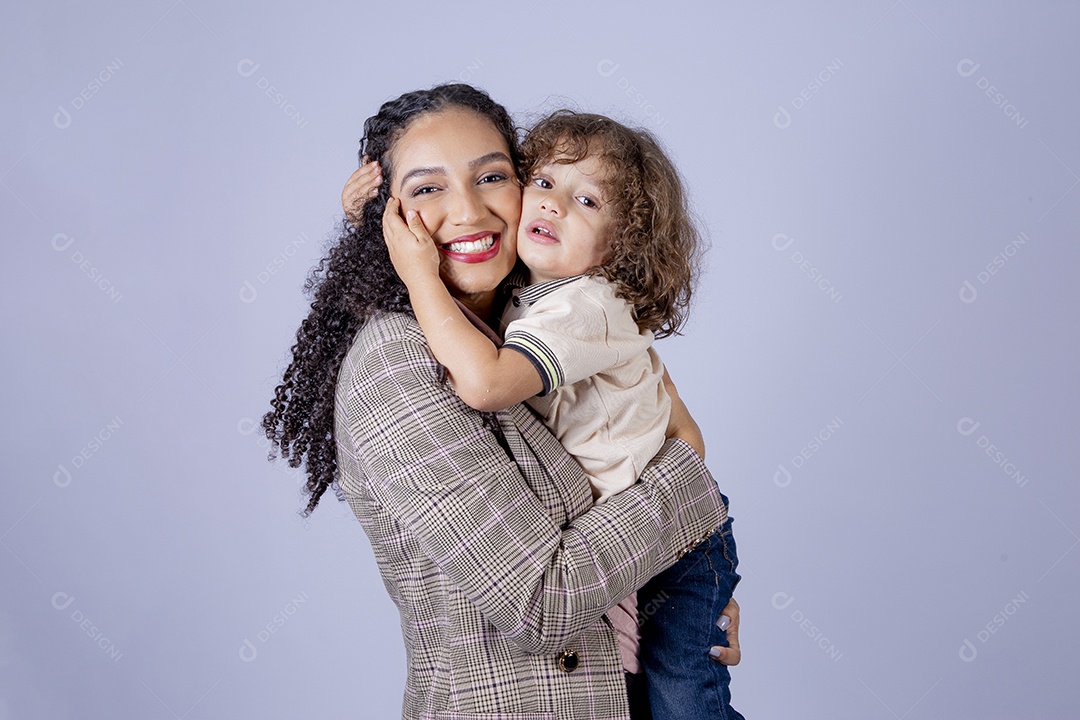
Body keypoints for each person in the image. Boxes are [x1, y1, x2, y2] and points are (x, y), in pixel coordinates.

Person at [263, 83, 740, 720]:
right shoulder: (393, 365)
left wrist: (688, 594)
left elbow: (664, 422)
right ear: (392, 224)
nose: (467, 210)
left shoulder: (541, 312)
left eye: (492, 176)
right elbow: (544, 600)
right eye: (427, 188)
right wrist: (686, 512)